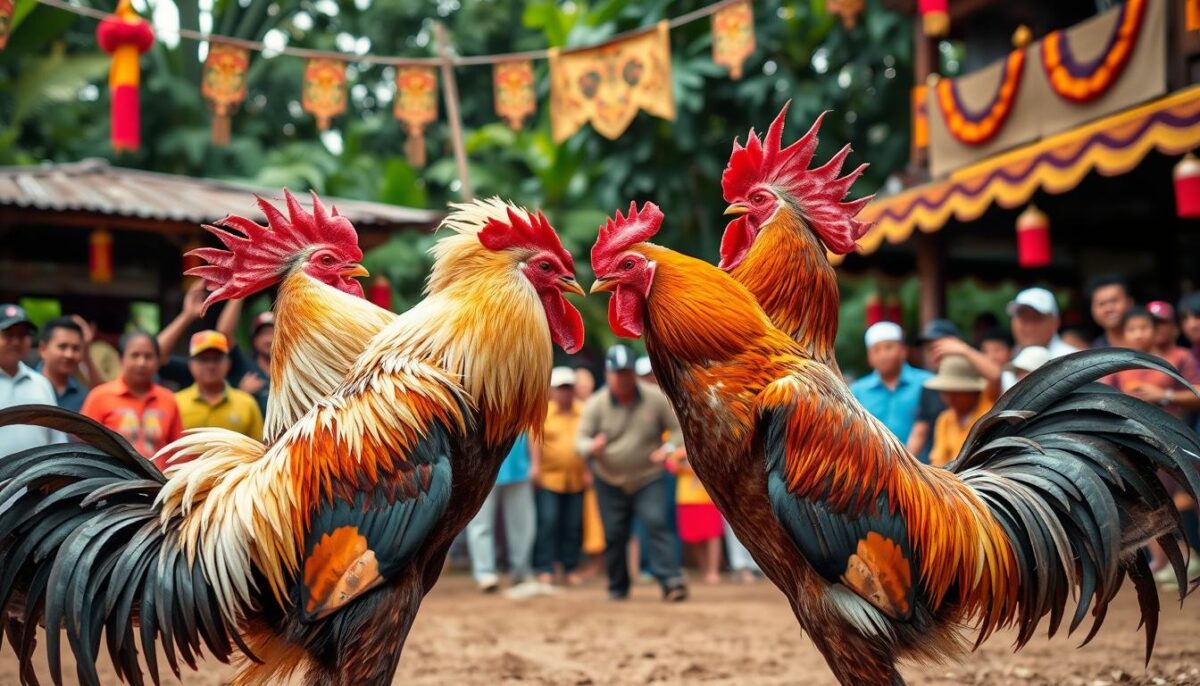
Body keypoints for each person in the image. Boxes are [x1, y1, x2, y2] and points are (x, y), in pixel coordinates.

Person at [576, 344, 688, 602]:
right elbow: (579, 441)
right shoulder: (596, 404)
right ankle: (618, 585)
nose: (622, 378)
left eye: (626, 372)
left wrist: (668, 448)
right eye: (617, 373)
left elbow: (677, 430)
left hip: (647, 477)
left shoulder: (654, 398)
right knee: (614, 533)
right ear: (608, 374)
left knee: (656, 523)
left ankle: (671, 581)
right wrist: (592, 446)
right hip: (609, 479)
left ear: (633, 374)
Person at [81, 331, 183, 459]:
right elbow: (84, 447)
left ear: (158, 361)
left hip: (159, 478)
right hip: (112, 478)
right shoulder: (99, 396)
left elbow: (178, 451)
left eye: (148, 356)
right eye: (135, 355)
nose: (141, 362)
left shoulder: (168, 399)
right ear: (121, 359)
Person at [532, 367, 587, 585]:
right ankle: (545, 566)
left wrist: (589, 470)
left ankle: (570, 567)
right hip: (549, 477)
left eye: (568, 388)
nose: (565, 393)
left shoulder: (583, 411)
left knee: (573, 525)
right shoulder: (544, 412)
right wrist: (535, 466)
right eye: (561, 388)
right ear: (553, 391)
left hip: (576, 477)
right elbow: (535, 441)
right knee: (548, 522)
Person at [850, 322, 933, 462]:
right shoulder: (857, 390)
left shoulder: (927, 383)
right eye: (876, 350)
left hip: (925, 473)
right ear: (869, 357)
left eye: (889, 347)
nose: (883, 355)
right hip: (874, 473)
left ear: (903, 351)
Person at [466, 433, 536, 593]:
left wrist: (535, 463)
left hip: (520, 466)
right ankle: (484, 574)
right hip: (483, 467)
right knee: (480, 523)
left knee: (522, 523)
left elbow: (533, 430)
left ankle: (521, 571)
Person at [172, 330, 264, 447]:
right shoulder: (175, 402)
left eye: (217, 359)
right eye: (203, 359)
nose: (211, 365)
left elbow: (259, 449)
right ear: (191, 364)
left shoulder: (247, 403)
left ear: (228, 364)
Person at [1105, 308, 1200, 419]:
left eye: (1144, 328)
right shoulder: (1117, 362)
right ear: (1123, 334)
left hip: (1172, 429)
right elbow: (1103, 394)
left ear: (1155, 331)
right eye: (1131, 330)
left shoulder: (1179, 357)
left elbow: (1197, 394)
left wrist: (1165, 395)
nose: (1138, 335)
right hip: (1128, 429)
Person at [0, 304, 64, 452]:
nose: (16, 342)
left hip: (37, 474)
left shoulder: (40, 383)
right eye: (8, 335)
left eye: (22, 335)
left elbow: (57, 438)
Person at [1002, 287, 1080, 392]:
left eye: (1036, 318)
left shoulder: (1076, 362)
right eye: (1022, 318)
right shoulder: (1009, 363)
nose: (1028, 326)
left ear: (1055, 322)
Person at [925, 355, 995, 467]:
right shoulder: (945, 419)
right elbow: (938, 461)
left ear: (973, 391)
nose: (950, 398)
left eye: (956, 392)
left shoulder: (990, 416)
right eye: (945, 392)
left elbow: (995, 376)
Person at [667, 450, 722, 584]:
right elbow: (670, 465)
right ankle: (704, 570)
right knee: (694, 537)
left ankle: (713, 571)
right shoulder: (680, 449)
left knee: (712, 534)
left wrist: (689, 467)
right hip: (686, 498)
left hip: (708, 498)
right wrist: (689, 468)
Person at [216, 299, 273, 415]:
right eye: (263, 334)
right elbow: (223, 335)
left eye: (274, 333)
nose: (268, 339)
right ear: (254, 340)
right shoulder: (244, 365)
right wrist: (238, 295)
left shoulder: (295, 369)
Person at [36, 317, 91, 412]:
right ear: (43, 349)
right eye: (62, 347)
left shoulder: (84, 396)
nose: (69, 355)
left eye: (76, 348)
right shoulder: (26, 387)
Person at [1088, 274, 1134, 349]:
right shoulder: (1094, 352)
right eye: (1101, 304)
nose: (1109, 309)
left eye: (1114, 301)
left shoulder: (1152, 340)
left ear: (1130, 302)